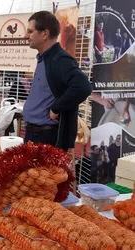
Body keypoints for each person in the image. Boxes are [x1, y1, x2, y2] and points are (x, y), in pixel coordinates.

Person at [22, 11, 91, 151]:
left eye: (30, 31)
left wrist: (56, 107)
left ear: (45, 34)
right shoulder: (45, 58)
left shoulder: (59, 59)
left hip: (46, 137)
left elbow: (83, 86)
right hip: (35, 134)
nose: (26, 36)